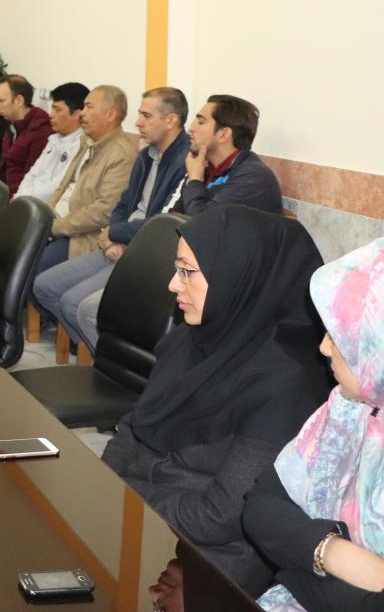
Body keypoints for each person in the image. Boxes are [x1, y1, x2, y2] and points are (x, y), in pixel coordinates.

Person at [102, 207, 331, 599]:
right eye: (177, 269)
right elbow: (134, 427)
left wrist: (122, 491)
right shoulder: (191, 340)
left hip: (214, 565)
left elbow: (220, 516)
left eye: (187, 272)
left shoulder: (286, 383)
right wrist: (106, 482)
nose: (173, 285)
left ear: (239, 276)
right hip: (151, 521)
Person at [243, 238, 384, 612]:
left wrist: (301, 566)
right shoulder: (349, 409)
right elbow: (261, 506)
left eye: (340, 335)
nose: (323, 347)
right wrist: (331, 552)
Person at [33, 87, 190, 350]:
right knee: (45, 286)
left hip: (144, 252)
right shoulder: (146, 155)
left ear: (171, 120)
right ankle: (92, 350)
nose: (138, 122)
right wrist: (113, 235)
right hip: (117, 241)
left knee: (75, 303)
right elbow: (123, 203)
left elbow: (161, 223)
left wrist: (115, 234)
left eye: (146, 116)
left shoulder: (184, 163)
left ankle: (109, 363)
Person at [37, 85, 138, 277]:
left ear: (110, 114)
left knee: (35, 266)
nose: (82, 113)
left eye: (89, 107)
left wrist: (55, 228)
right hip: (56, 224)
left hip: (81, 237)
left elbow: (104, 211)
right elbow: (62, 187)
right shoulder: (87, 142)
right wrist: (45, 218)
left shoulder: (122, 154)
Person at [165, 94, 283, 216]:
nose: (191, 128)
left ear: (223, 134)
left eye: (201, 122)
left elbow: (202, 223)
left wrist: (194, 180)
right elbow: (174, 217)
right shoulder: (203, 167)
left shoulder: (254, 177)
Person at [18, 82, 90, 203]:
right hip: (26, 201)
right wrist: (19, 196)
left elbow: (59, 185)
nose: (51, 115)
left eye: (57, 110)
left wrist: (24, 199)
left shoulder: (82, 145)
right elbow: (32, 174)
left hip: (46, 206)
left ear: (77, 114)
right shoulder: (54, 139)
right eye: (52, 108)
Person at [0, 74, 52, 195]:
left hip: (21, 199)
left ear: (19, 100)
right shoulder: (11, 127)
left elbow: (33, 181)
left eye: (1, 101)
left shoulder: (41, 132)